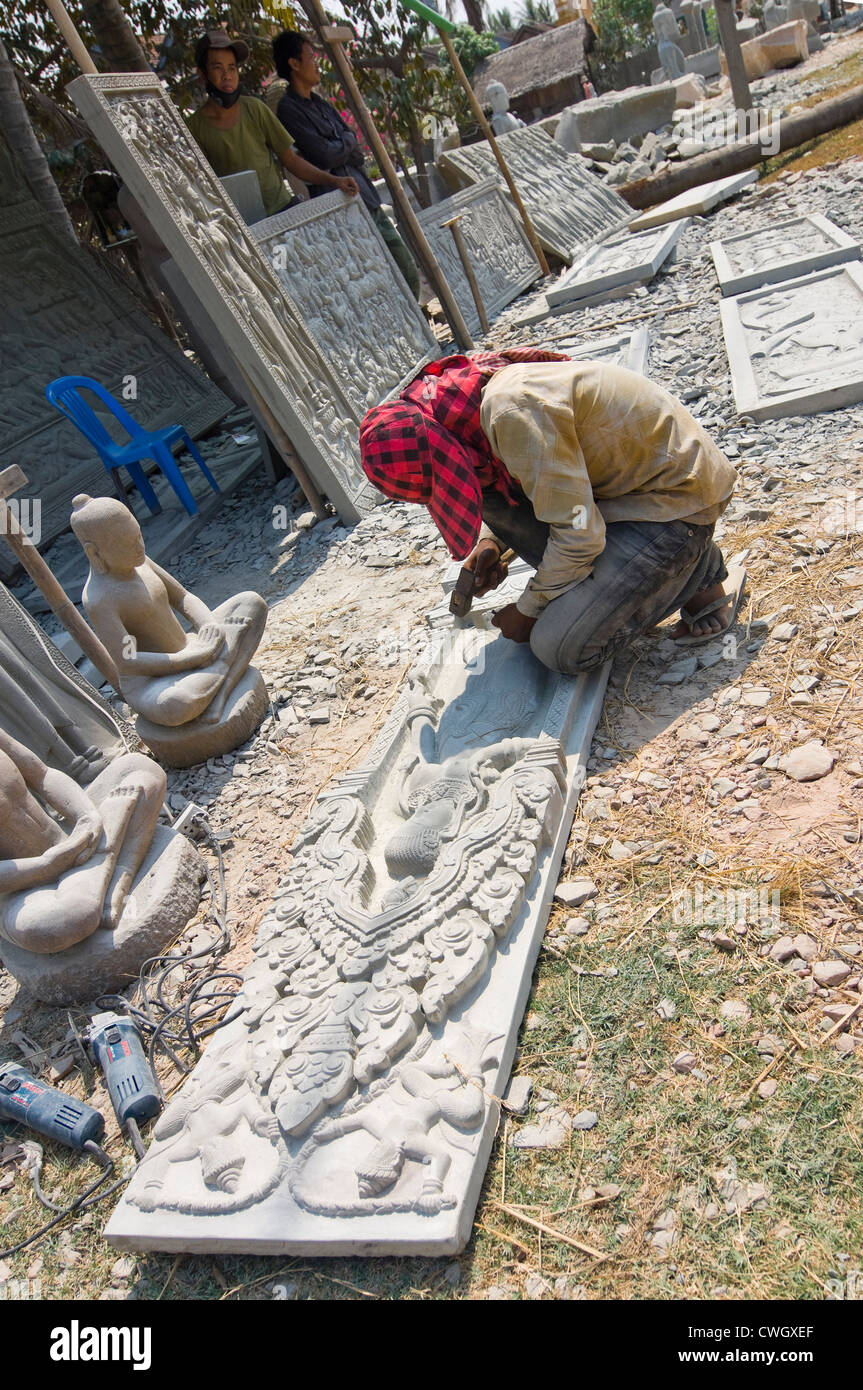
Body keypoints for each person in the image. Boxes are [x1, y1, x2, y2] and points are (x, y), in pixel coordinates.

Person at [359, 349, 744, 676]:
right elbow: (548, 486)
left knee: (557, 647)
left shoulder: (511, 411)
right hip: (613, 498)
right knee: (492, 495)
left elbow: (578, 533)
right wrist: (495, 544)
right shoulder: (457, 403)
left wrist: (528, 611)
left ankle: (693, 567)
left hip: (675, 501)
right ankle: (655, 568)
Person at [272, 30, 421, 300]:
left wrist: (341, 145)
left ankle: (418, 320)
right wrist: (345, 143)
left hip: (364, 192)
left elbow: (355, 153)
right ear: (294, 64)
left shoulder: (321, 104)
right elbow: (324, 156)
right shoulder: (289, 109)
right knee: (369, 273)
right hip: (337, 203)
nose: (316, 64)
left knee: (403, 263)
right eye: (310, 57)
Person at [187, 31, 359, 221]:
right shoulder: (193, 128)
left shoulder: (255, 108)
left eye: (232, 68)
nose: (227, 75)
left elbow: (291, 161)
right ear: (203, 74)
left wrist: (335, 181)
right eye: (218, 68)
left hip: (284, 211)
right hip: (245, 226)